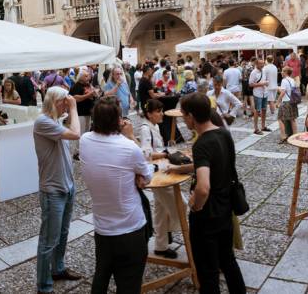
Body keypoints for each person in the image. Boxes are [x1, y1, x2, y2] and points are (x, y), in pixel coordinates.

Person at [80, 97, 153, 293]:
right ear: (118, 120)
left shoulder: (85, 140)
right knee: (129, 283)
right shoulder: (128, 147)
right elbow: (147, 177)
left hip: (102, 228)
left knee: (101, 274)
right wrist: (130, 136)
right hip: (130, 228)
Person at [180, 93, 246, 294]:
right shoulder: (223, 133)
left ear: (191, 116)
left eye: (184, 116)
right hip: (226, 208)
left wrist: (195, 204)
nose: (183, 120)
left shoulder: (202, 144)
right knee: (227, 260)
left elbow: (203, 187)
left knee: (207, 271)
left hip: (207, 215)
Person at [34, 87, 83, 294]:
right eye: (64, 101)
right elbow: (76, 134)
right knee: (48, 240)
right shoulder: (42, 121)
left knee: (62, 234)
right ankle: (44, 286)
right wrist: (74, 108)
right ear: (55, 101)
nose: (67, 104)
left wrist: (68, 109)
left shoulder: (55, 120)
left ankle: (58, 269)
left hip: (67, 187)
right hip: (53, 190)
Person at [136, 99, 184, 259]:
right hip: (157, 174)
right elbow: (145, 154)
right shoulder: (144, 128)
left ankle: (160, 246)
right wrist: (165, 154)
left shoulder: (154, 125)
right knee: (181, 205)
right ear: (149, 114)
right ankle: (185, 231)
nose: (161, 114)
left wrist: (166, 150)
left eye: (161, 110)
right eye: (158, 111)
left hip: (161, 168)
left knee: (161, 210)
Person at [275, 66, 299, 142]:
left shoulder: (284, 81)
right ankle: (295, 136)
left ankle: (283, 136)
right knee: (293, 119)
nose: (281, 72)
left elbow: (283, 92)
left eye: (282, 71)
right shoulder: (292, 80)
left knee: (280, 119)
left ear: (285, 72)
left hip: (286, 102)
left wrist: (278, 102)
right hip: (293, 101)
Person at [249, 58, 269, 135]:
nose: (262, 65)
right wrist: (262, 84)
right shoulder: (253, 72)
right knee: (257, 111)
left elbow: (264, 80)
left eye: (263, 63)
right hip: (257, 93)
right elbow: (250, 84)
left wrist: (266, 83)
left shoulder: (264, 71)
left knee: (264, 109)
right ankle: (256, 128)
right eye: (260, 63)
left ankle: (263, 126)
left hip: (265, 92)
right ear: (256, 64)